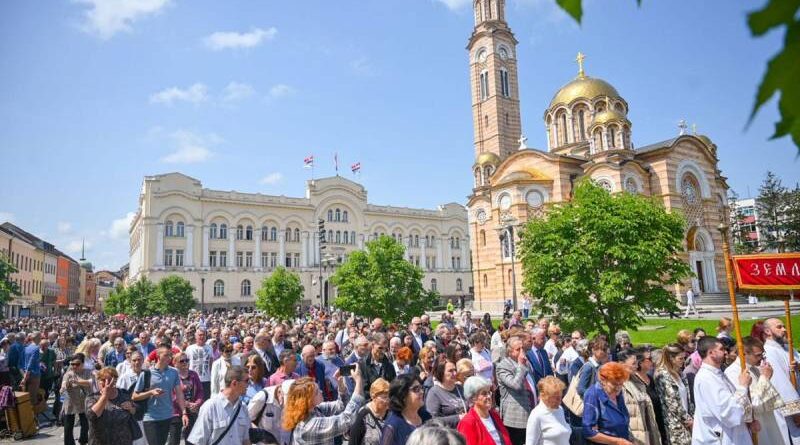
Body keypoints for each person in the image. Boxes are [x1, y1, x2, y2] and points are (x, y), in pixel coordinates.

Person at [724, 336, 788, 445]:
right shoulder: (733, 372)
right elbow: (750, 404)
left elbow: (768, 399)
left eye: (763, 354)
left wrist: (765, 378)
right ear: (744, 353)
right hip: (756, 425)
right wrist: (765, 378)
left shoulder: (756, 368)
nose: (761, 358)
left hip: (769, 421)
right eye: (758, 355)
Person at [692, 336, 753, 445]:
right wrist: (742, 387)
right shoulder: (706, 378)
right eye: (721, 349)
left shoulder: (717, 373)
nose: (725, 352)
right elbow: (728, 412)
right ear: (711, 353)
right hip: (722, 437)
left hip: (735, 433)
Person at [283, 364, 365, 445]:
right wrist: (358, 381)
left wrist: (341, 386)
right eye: (317, 391)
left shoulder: (314, 410)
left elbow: (341, 406)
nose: (321, 391)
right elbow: (346, 420)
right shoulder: (310, 426)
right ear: (308, 400)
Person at [133, 345, 188, 445]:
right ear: (158, 356)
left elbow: (179, 394)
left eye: (170, 355)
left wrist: (184, 413)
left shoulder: (174, 372)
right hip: (150, 417)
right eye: (166, 355)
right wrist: (151, 392)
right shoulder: (147, 373)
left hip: (167, 416)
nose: (169, 358)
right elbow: (134, 396)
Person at [187, 365, 252, 445]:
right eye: (247, 381)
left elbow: (246, 440)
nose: (249, 384)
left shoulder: (243, 408)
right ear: (234, 383)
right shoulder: (210, 407)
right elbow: (198, 441)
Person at [762, 318, 800, 443]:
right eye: (779, 327)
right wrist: (795, 412)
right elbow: (780, 384)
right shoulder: (768, 352)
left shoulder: (789, 348)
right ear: (768, 331)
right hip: (788, 408)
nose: (784, 329)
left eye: (784, 326)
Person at [496, 336, 536, 445]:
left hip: (530, 412)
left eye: (523, 348)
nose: (522, 352)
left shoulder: (525, 362)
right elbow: (516, 385)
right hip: (515, 419)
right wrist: (521, 365)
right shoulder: (503, 366)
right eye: (518, 349)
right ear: (510, 352)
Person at [582, 362, 632, 445]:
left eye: (621, 384)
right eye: (614, 384)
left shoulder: (618, 394)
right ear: (603, 380)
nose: (618, 388)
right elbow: (588, 431)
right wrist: (617, 441)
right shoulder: (593, 395)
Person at [86, 367, 140, 445]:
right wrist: (105, 395)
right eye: (102, 380)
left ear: (115, 380)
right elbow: (92, 415)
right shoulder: (92, 397)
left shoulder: (124, 394)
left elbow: (137, 412)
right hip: (100, 441)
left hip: (123, 441)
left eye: (109, 380)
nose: (105, 383)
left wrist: (131, 408)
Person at [617, 349, 661, 445]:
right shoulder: (617, 385)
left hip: (644, 434)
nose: (636, 366)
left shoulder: (637, 382)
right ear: (621, 364)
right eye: (633, 364)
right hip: (630, 437)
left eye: (637, 363)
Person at [654, 343, 692, 445]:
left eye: (684, 358)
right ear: (671, 358)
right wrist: (688, 420)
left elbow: (687, 398)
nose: (683, 361)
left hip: (687, 423)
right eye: (680, 358)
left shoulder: (680, 373)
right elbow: (672, 403)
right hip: (675, 426)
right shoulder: (662, 375)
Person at [457, 376, 511, 445]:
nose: (489, 396)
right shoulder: (467, 423)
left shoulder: (495, 415)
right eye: (484, 394)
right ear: (473, 398)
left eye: (489, 392)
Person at [380, 374, 431, 445]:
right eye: (416, 389)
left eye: (421, 388)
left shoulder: (426, 417)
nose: (422, 392)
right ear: (403, 395)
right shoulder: (393, 426)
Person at [522, 376, 570, 445]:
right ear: (546, 397)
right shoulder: (536, 415)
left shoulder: (560, 409)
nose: (560, 401)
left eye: (560, 397)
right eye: (556, 398)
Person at [172, 351, 204, 445]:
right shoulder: (172, 375)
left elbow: (200, 391)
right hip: (176, 412)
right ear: (175, 363)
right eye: (182, 361)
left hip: (192, 411)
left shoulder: (194, 374)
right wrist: (186, 403)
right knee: (174, 440)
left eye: (187, 360)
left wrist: (197, 403)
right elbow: (172, 395)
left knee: (191, 440)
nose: (185, 362)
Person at [425, 359, 468, 428]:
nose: (455, 373)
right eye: (450, 371)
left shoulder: (460, 388)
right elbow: (432, 421)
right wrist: (458, 418)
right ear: (441, 373)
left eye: (455, 370)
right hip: (449, 432)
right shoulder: (434, 393)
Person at [61, 353, 93, 445]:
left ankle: (83, 440)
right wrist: (63, 387)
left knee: (85, 424)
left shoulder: (88, 372)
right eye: (72, 364)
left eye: (77, 364)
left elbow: (91, 382)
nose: (74, 366)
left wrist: (78, 382)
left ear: (83, 364)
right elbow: (64, 382)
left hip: (84, 401)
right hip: (71, 401)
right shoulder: (69, 374)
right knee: (68, 426)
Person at [350, 378, 391, 445]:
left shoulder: (391, 414)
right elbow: (353, 442)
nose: (388, 400)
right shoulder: (363, 416)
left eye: (389, 396)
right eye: (384, 397)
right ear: (373, 397)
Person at [185, 329, 213, 401]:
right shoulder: (190, 348)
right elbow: (186, 363)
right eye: (200, 335)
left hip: (206, 379)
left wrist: (211, 377)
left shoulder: (209, 348)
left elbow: (211, 363)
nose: (202, 337)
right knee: (193, 400)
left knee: (206, 400)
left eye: (204, 335)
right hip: (193, 379)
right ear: (195, 336)